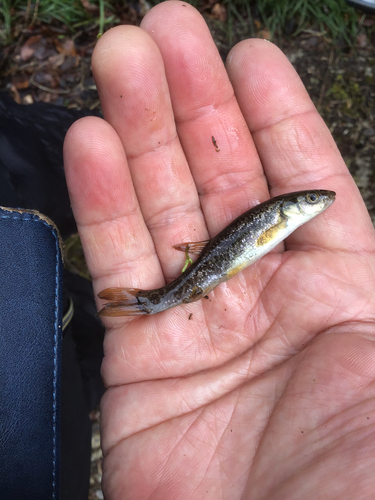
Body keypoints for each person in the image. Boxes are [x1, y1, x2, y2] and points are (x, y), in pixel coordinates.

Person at [63, 2, 375, 498]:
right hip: (201, 272)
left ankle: (149, 301)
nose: (321, 202)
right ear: (293, 208)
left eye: (314, 200)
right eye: (313, 201)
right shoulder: (276, 216)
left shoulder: (280, 219)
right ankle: (149, 300)